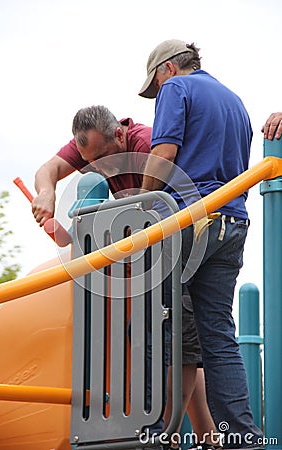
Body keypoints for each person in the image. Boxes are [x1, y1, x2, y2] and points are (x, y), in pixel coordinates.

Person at [33, 105, 220, 449]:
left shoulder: (148, 143)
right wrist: (47, 192)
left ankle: (169, 434)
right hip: (143, 264)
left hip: (179, 253)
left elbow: (179, 199)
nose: (102, 168)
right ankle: (205, 437)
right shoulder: (94, 146)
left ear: (119, 134)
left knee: (179, 342)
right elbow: (49, 169)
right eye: (92, 164)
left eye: (104, 157)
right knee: (173, 345)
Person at [138, 39, 264, 449]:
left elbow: (164, 153)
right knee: (219, 337)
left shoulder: (177, 89)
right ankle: (242, 438)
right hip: (233, 222)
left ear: (167, 70)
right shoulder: (235, 101)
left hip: (191, 223)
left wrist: (143, 206)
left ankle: (155, 433)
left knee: (154, 323)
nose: (158, 96)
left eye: (155, 87)